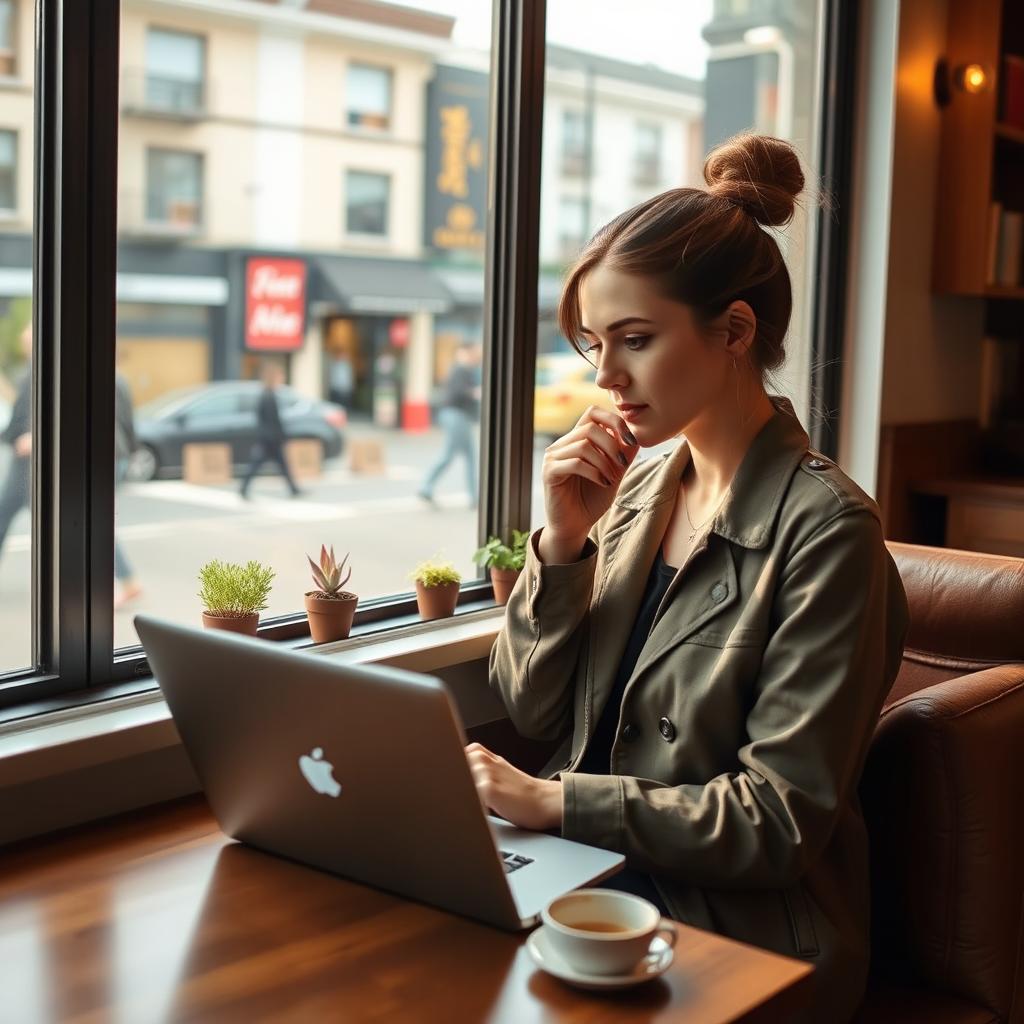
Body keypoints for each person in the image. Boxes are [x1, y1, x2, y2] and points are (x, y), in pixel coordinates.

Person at [473, 134, 910, 1023]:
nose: (606, 377)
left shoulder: (830, 533)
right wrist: (559, 546)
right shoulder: (633, 488)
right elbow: (531, 711)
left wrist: (554, 803)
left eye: (634, 339)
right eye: (596, 343)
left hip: (739, 935)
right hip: (600, 880)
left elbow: (776, 823)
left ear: (735, 332)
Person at [417, 341, 482, 508]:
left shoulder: (463, 370)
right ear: (465, 352)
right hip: (456, 416)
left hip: (458, 416)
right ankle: (426, 486)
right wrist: (475, 392)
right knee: (450, 454)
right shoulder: (461, 369)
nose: (477, 357)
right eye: (474, 353)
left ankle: (474, 496)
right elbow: (459, 392)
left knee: (468, 456)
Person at [239, 363, 303, 499]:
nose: (282, 379)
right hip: (270, 439)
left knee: (279, 464)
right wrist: (283, 437)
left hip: (268, 437)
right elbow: (274, 421)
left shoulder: (267, 395)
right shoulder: (269, 397)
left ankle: (293, 489)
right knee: (260, 464)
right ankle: (243, 488)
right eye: (280, 376)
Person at [0, 323, 33, 562]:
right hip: (23, 452)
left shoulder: (43, 370)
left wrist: (34, 436)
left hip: (29, 455)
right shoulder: (31, 370)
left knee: (6, 508)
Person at [113, 361, 142, 609]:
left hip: (107, 455)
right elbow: (128, 421)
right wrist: (132, 452)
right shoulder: (120, 378)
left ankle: (128, 581)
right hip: (118, 454)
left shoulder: (110, 379)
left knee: (96, 523)